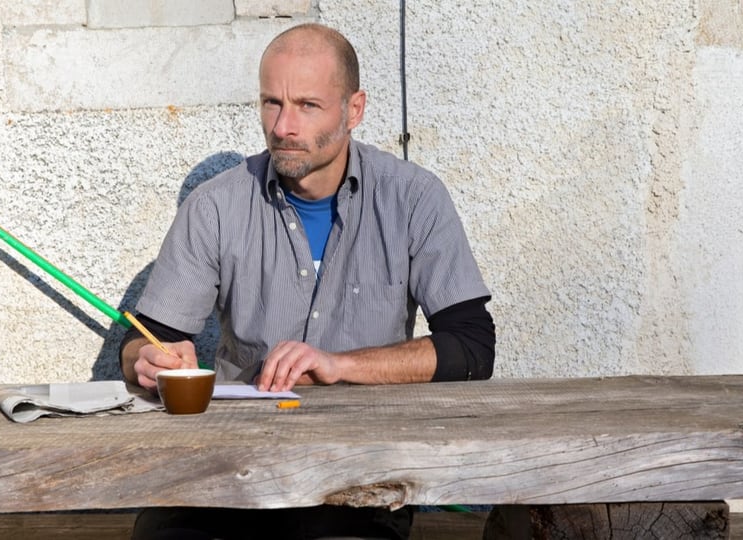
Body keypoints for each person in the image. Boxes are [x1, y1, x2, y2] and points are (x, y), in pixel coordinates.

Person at [120, 22, 495, 540]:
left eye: (307, 106)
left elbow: (472, 349)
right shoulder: (216, 205)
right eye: (272, 102)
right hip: (231, 472)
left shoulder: (414, 199)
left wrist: (339, 365)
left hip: (360, 478)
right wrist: (145, 359)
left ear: (354, 109)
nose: (283, 126)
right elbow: (144, 338)